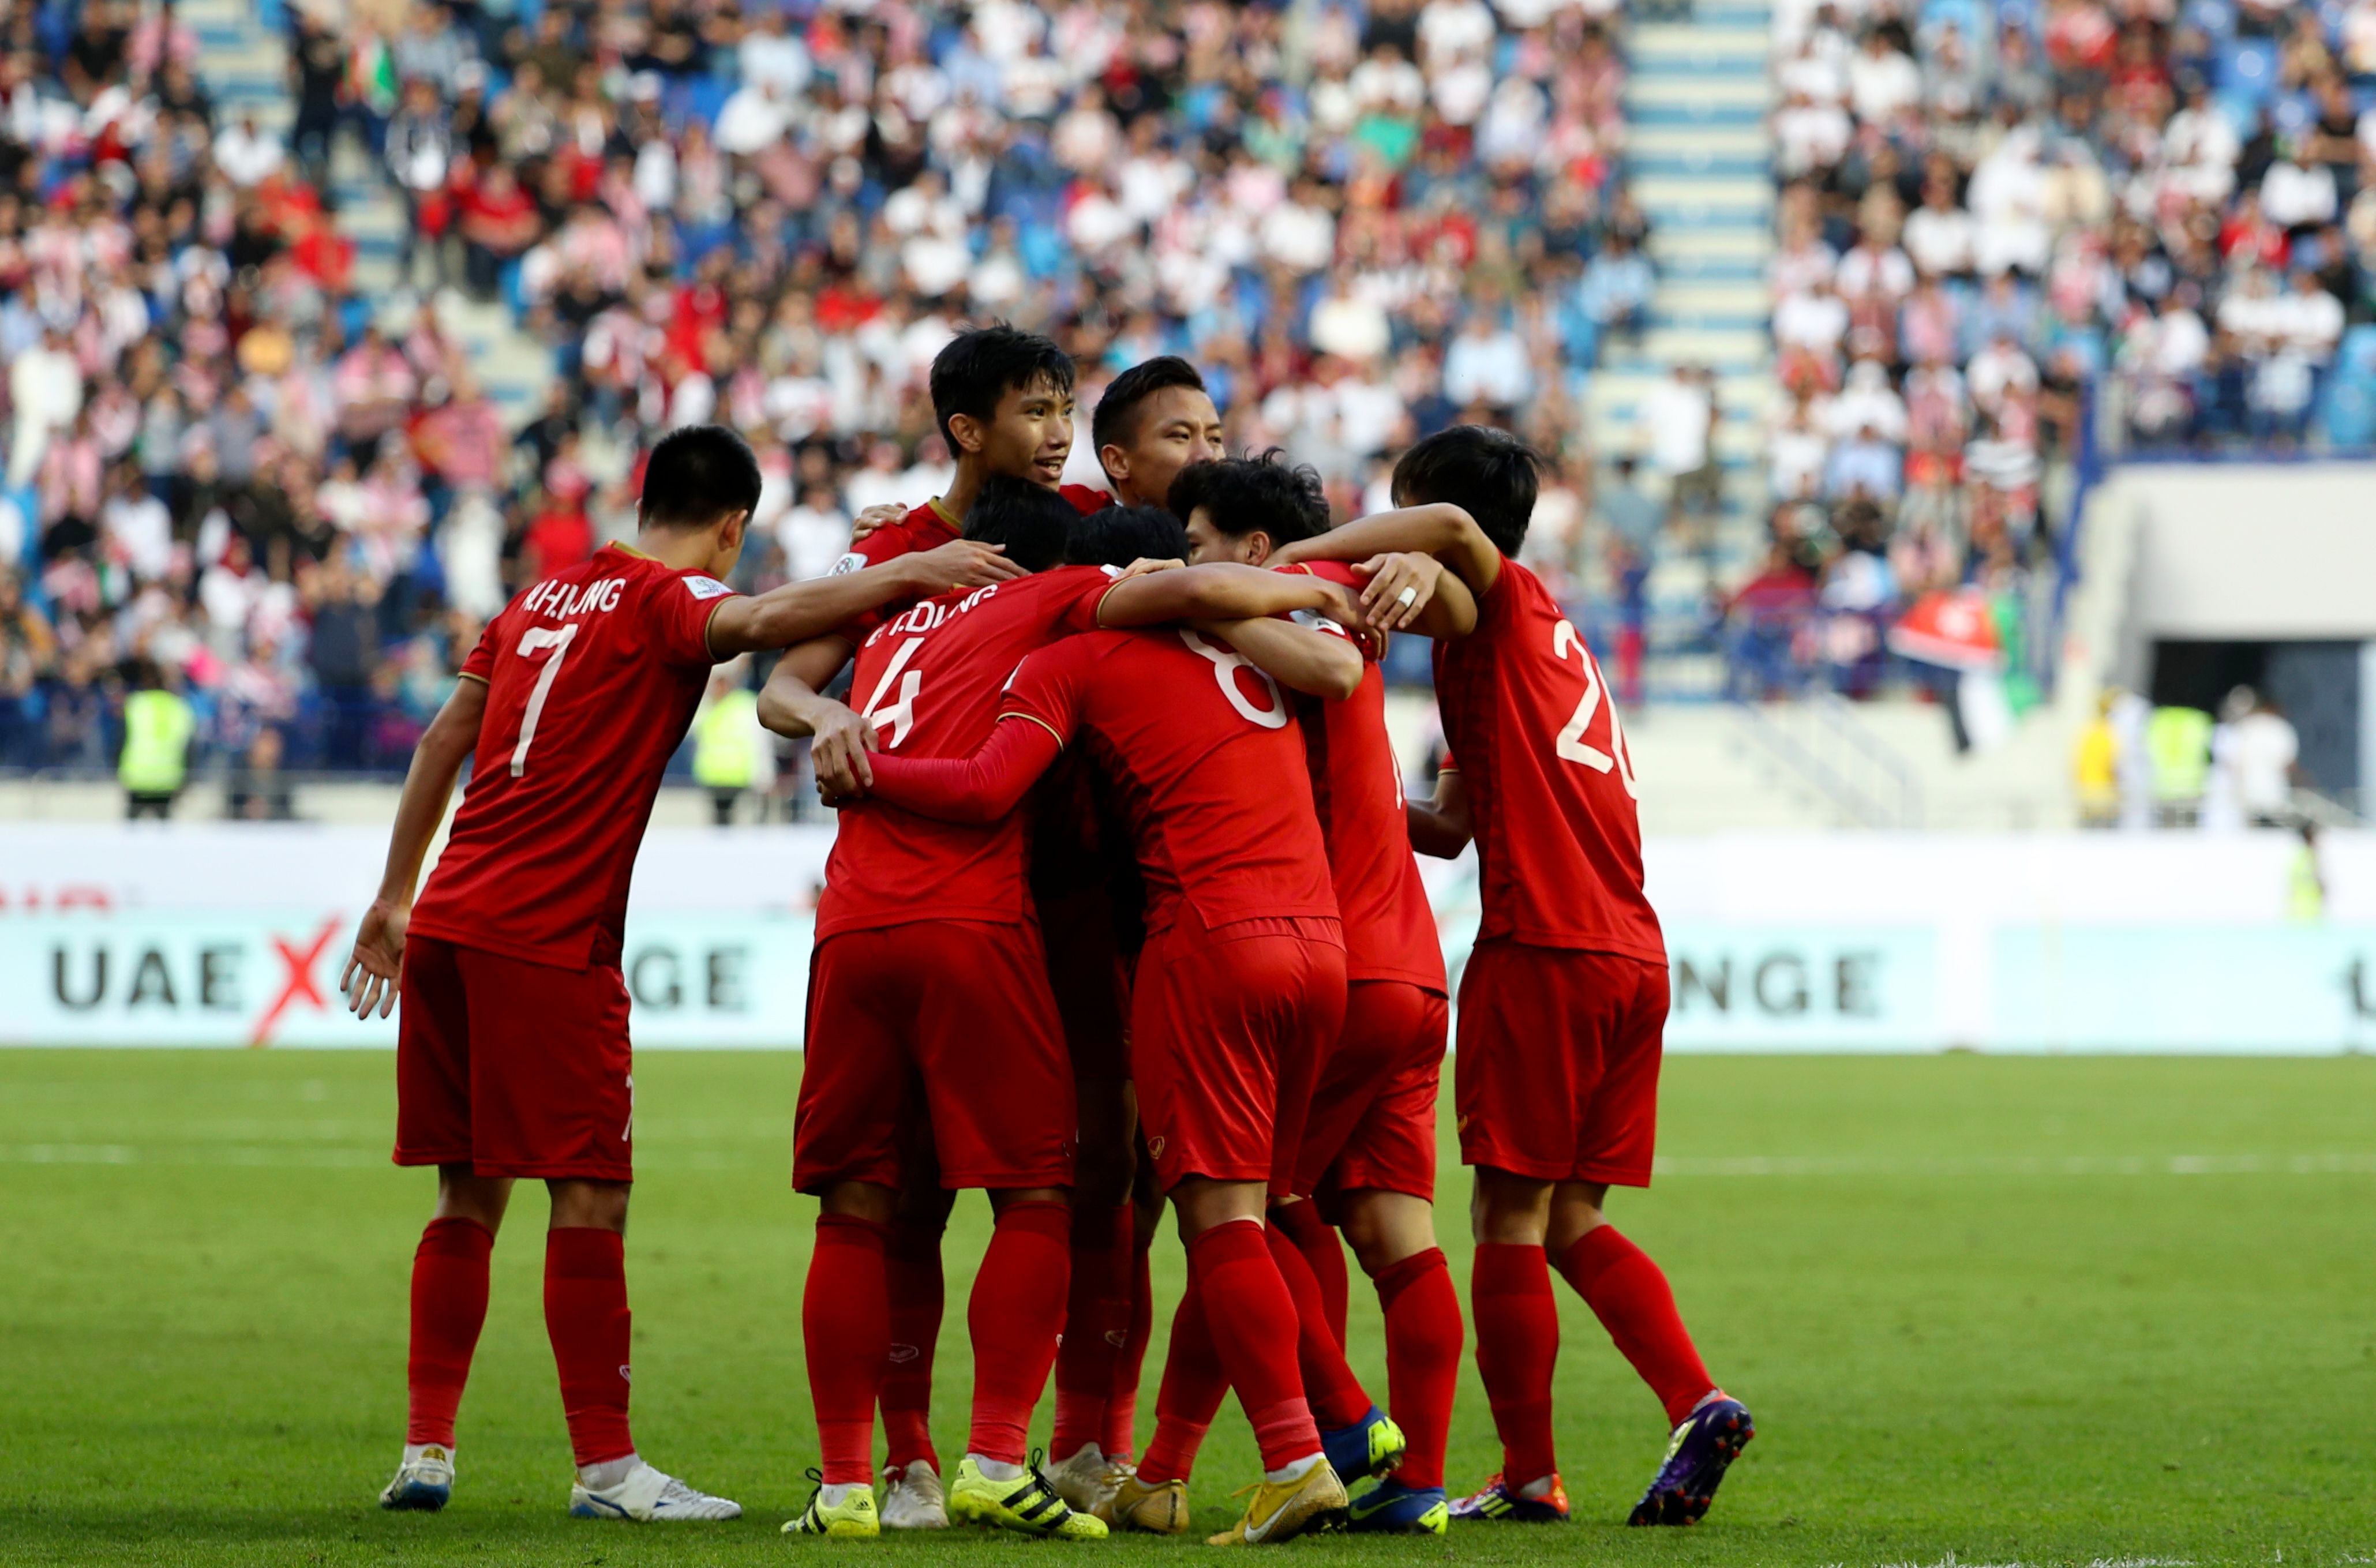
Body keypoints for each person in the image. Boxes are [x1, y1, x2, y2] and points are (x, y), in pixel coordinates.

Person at [338, 425, 1022, 1524]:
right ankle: (608, 1468)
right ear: (732, 526)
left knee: (465, 1191)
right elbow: (757, 621)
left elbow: (438, 741)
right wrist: (911, 568)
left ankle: (427, 1447)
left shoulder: (532, 600)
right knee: (589, 1194)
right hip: (547, 937)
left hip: (452, 916)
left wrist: (391, 894)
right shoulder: (668, 598)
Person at [783, 481, 1376, 1541]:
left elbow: (983, 783)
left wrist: (865, 765)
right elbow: (1329, 660)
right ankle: (1290, 1435)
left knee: (1186, 1215)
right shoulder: (1269, 647)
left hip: (1185, 938)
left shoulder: (1055, 649)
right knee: (1264, 1209)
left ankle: (1291, 1451)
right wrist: (1313, 588)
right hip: (1323, 942)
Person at [1268, 425, 1753, 1528]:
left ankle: (1530, 1472)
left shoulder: (1497, 601)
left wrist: (1297, 556)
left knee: (1503, 1215)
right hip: (1630, 950)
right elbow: (1446, 827)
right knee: (1569, 1215)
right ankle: (1697, 1398)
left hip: (1544, 944)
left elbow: (1446, 529)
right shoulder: (1538, 643)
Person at [759, 325, 1103, 1526]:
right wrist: (825, 717)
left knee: (876, 1201)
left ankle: (879, 1469)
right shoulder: (900, 552)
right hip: (977, 903)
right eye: (1036, 413)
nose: (1058, 435)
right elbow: (781, 680)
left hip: (886, 910)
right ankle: (933, 1457)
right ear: (967, 428)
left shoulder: (1063, 526)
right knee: (976, 1195)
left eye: (1066, 411)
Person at [1177, 455, 1479, 1536]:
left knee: (1242, 1209)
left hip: (1332, 958)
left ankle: (1340, 1423)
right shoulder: (1350, 604)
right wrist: (1404, 567)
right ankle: (1417, 1483)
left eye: (1200, 546)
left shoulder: (1266, 628)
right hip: (1414, 967)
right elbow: (1460, 603)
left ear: (1253, 549)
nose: (1187, 563)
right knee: (1398, 1235)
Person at [120, 659, 195, 820]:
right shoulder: (180, 707)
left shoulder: (136, 704)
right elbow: (190, 748)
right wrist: (187, 779)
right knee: (164, 829)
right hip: (168, 778)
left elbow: (120, 739)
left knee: (131, 829)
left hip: (137, 777)